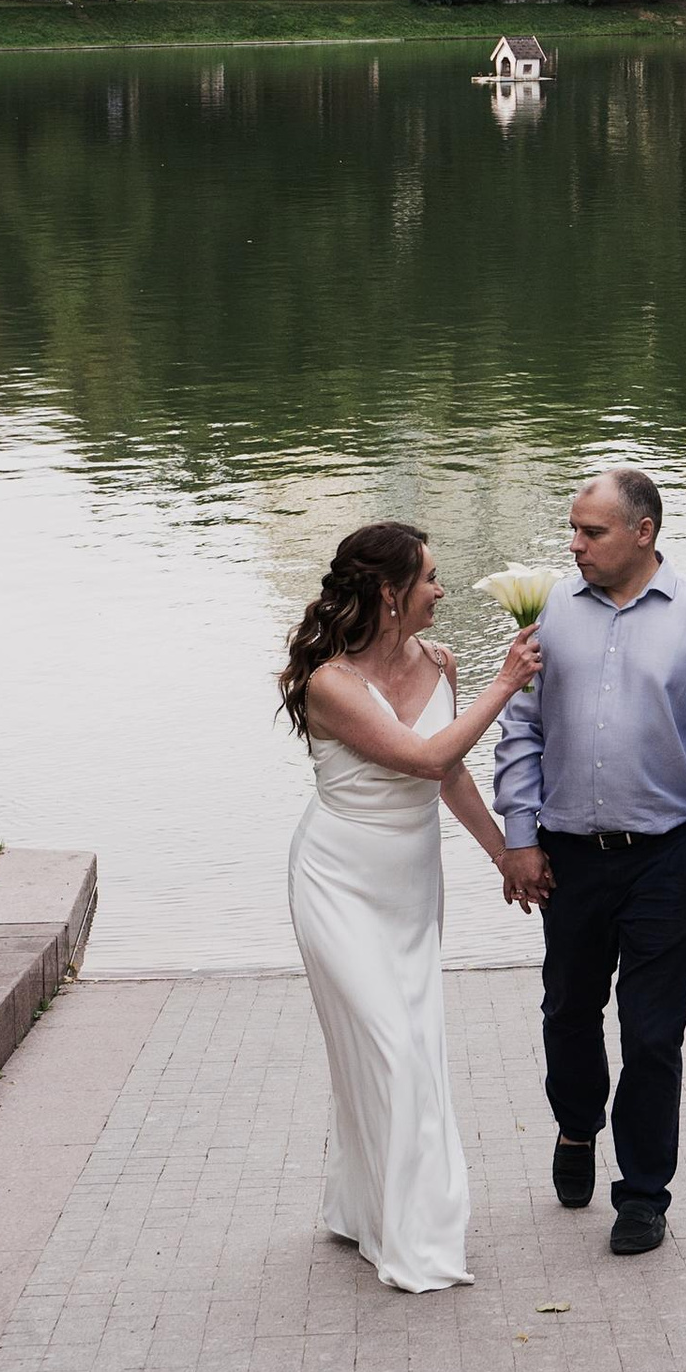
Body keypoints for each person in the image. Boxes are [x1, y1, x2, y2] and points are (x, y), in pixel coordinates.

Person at [492, 469, 686, 1258]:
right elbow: (521, 733)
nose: (573, 546)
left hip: (666, 861)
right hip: (568, 857)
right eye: (574, 530)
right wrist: (519, 836)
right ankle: (577, 1127)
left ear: (643, 532)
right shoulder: (550, 622)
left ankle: (644, 1193)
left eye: (592, 533)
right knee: (569, 1009)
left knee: (652, 1033)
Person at [281, 522, 541, 1292]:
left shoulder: (439, 662)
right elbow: (421, 755)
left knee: (409, 1047)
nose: (440, 591)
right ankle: (414, 1236)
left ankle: (367, 1209)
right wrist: (508, 681)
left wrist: (503, 854)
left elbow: (448, 775)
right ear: (391, 595)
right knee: (387, 1046)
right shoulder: (331, 683)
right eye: (430, 578)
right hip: (337, 882)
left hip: (409, 884)